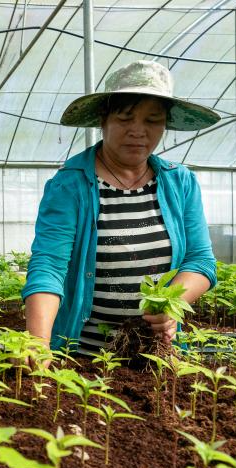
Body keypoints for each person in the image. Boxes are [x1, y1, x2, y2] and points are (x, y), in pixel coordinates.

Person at [22, 60, 219, 356]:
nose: (138, 131)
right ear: (104, 119)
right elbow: (49, 266)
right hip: (83, 359)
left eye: (152, 120)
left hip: (158, 354)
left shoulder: (180, 183)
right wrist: (38, 345)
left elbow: (200, 261)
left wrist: (168, 305)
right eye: (125, 118)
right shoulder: (70, 186)